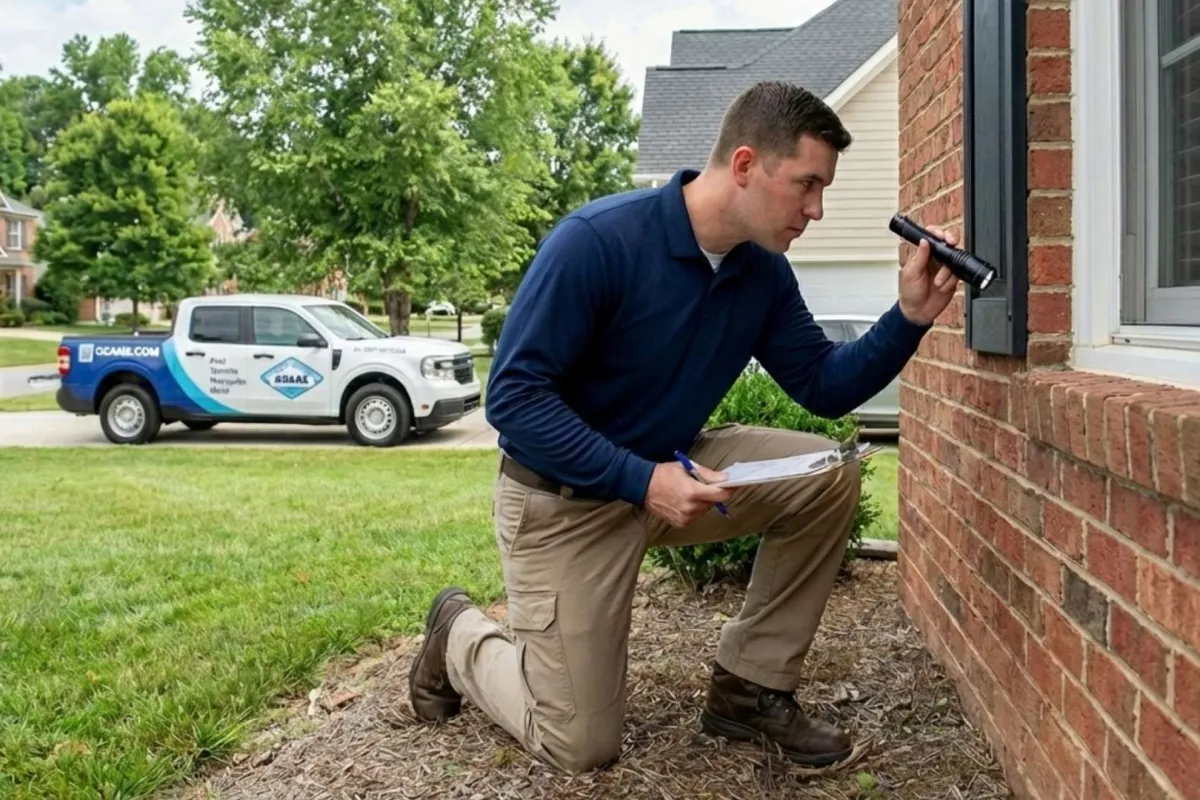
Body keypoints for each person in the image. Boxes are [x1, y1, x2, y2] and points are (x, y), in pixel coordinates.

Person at [407, 80, 960, 774]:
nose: (816, 210)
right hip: (565, 505)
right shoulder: (597, 243)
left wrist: (908, 316)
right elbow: (514, 400)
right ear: (746, 165)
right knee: (579, 745)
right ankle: (457, 634)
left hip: (675, 470)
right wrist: (640, 480)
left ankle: (749, 687)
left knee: (828, 470)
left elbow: (823, 386)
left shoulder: (761, 273)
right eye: (807, 185)